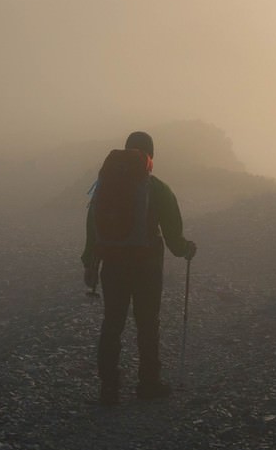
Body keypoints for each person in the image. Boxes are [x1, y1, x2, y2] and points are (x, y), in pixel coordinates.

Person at [81, 130, 197, 405]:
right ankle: (148, 384)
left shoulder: (105, 186)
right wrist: (185, 249)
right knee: (147, 323)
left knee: (112, 324)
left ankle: (109, 389)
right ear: (150, 155)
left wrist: (90, 265)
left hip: (112, 266)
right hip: (146, 266)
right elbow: (173, 237)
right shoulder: (157, 188)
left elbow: (93, 228)